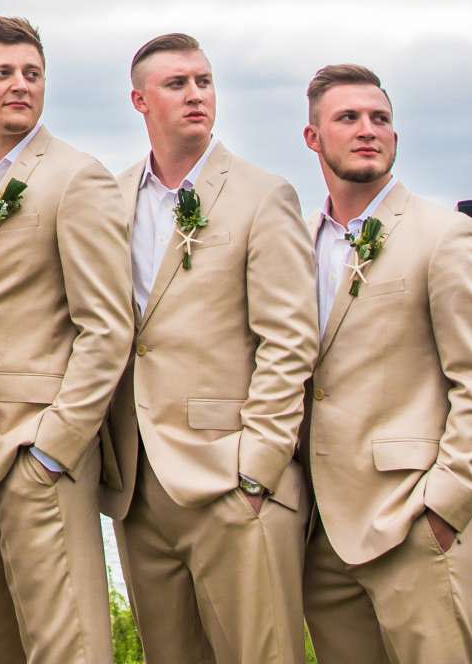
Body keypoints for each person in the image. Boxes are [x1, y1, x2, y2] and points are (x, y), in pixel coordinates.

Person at [101, 32, 316, 664]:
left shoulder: (262, 194)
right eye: (177, 84)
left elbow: (288, 338)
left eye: (204, 81)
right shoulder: (110, 199)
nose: (196, 94)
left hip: (233, 479)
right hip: (138, 486)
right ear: (140, 100)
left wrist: (258, 468)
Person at [296, 65, 472, 664]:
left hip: (416, 524)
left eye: (381, 119)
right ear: (313, 138)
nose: (369, 130)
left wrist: (445, 506)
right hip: (321, 534)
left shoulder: (447, 236)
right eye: (348, 118)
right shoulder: (297, 240)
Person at [0, 16, 132, 664]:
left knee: (66, 649)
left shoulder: (77, 178)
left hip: (35, 456)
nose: (21, 85)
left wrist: (52, 451)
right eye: (4, 73)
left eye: (32, 74)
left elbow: (106, 327)